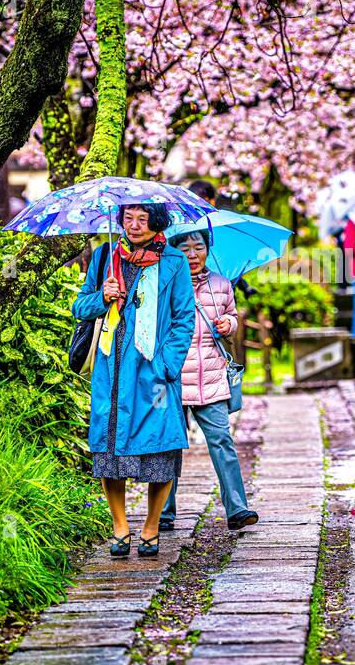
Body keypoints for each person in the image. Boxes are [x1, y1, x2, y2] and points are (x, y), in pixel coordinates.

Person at [72, 203, 195, 558]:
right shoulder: (105, 257)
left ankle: (152, 526)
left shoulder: (173, 262)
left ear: (156, 223)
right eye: (129, 218)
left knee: (160, 446)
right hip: (110, 368)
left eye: (143, 219)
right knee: (108, 447)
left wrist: (167, 365)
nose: (135, 225)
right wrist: (102, 297)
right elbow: (79, 307)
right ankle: (120, 527)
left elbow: (184, 318)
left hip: (153, 371)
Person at [158, 230, 260, 532]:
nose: (193, 254)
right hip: (173, 376)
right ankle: (164, 513)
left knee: (222, 441)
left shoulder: (221, 284)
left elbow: (232, 316)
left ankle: (238, 509)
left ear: (207, 249)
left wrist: (229, 324)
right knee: (169, 446)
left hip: (212, 375)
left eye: (199, 247)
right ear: (174, 251)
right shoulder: (165, 282)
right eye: (185, 248)